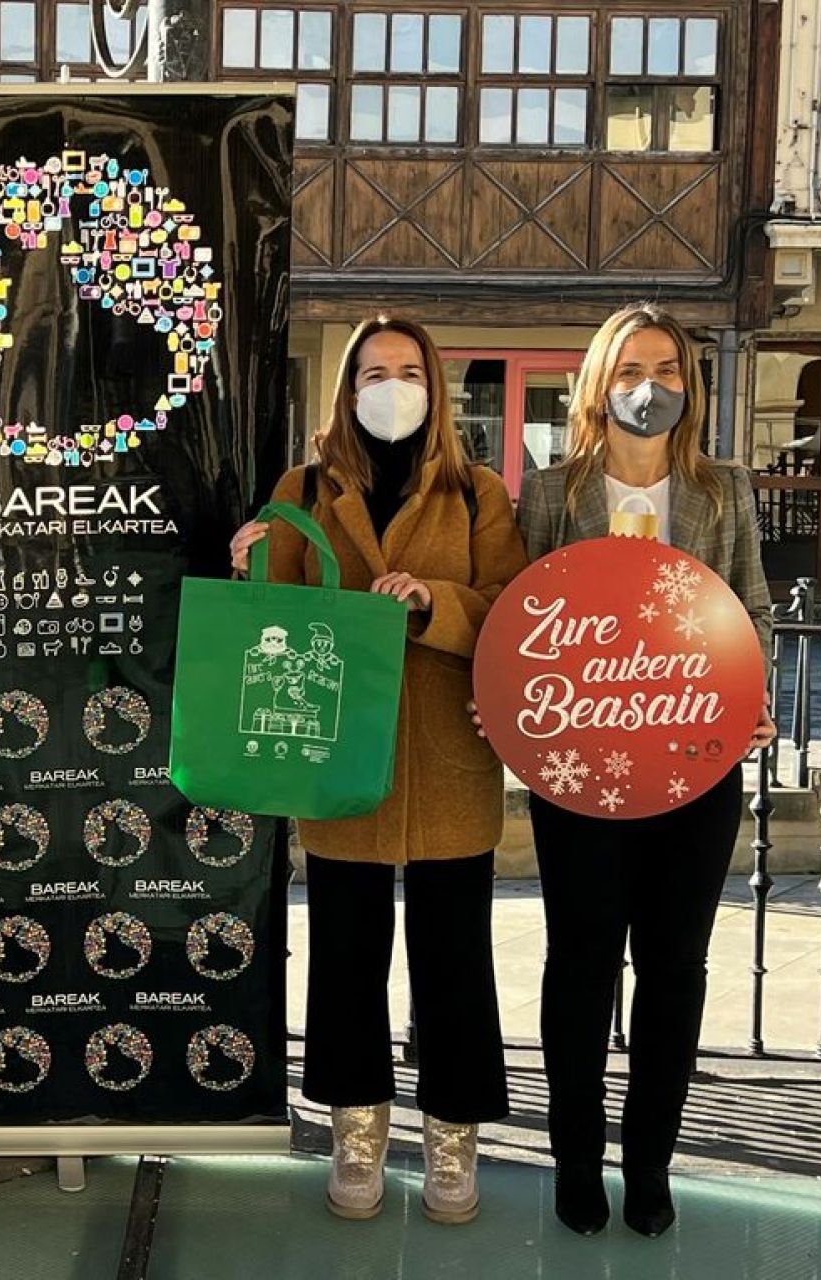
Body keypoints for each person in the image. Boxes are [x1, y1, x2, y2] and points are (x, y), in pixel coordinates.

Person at [229, 315, 529, 1224]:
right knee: (347, 960)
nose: (390, 386)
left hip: (447, 758)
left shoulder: (478, 493)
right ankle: (356, 1132)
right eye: (372, 371)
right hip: (334, 755)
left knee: (454, 964)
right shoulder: (305, 486)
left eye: (407, 370)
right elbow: (269, 624)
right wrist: (248, 568)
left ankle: (451, 1139)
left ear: (436, 387)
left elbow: (512, 612)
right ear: (347, 387)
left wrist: (435, 601)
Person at [506, 303, 774, 1238]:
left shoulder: (725, 490)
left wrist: (754, 696)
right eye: (628, 370)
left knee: (674, 969)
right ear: (596, 383)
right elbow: (520, 619)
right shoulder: (548, 494)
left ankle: (650, 1159)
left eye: (664, 368)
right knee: (579, 965)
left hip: (695, 769)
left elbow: (752, 609)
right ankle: (575, 1157)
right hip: (580, 772)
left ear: (688, 385)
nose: (646, 386)